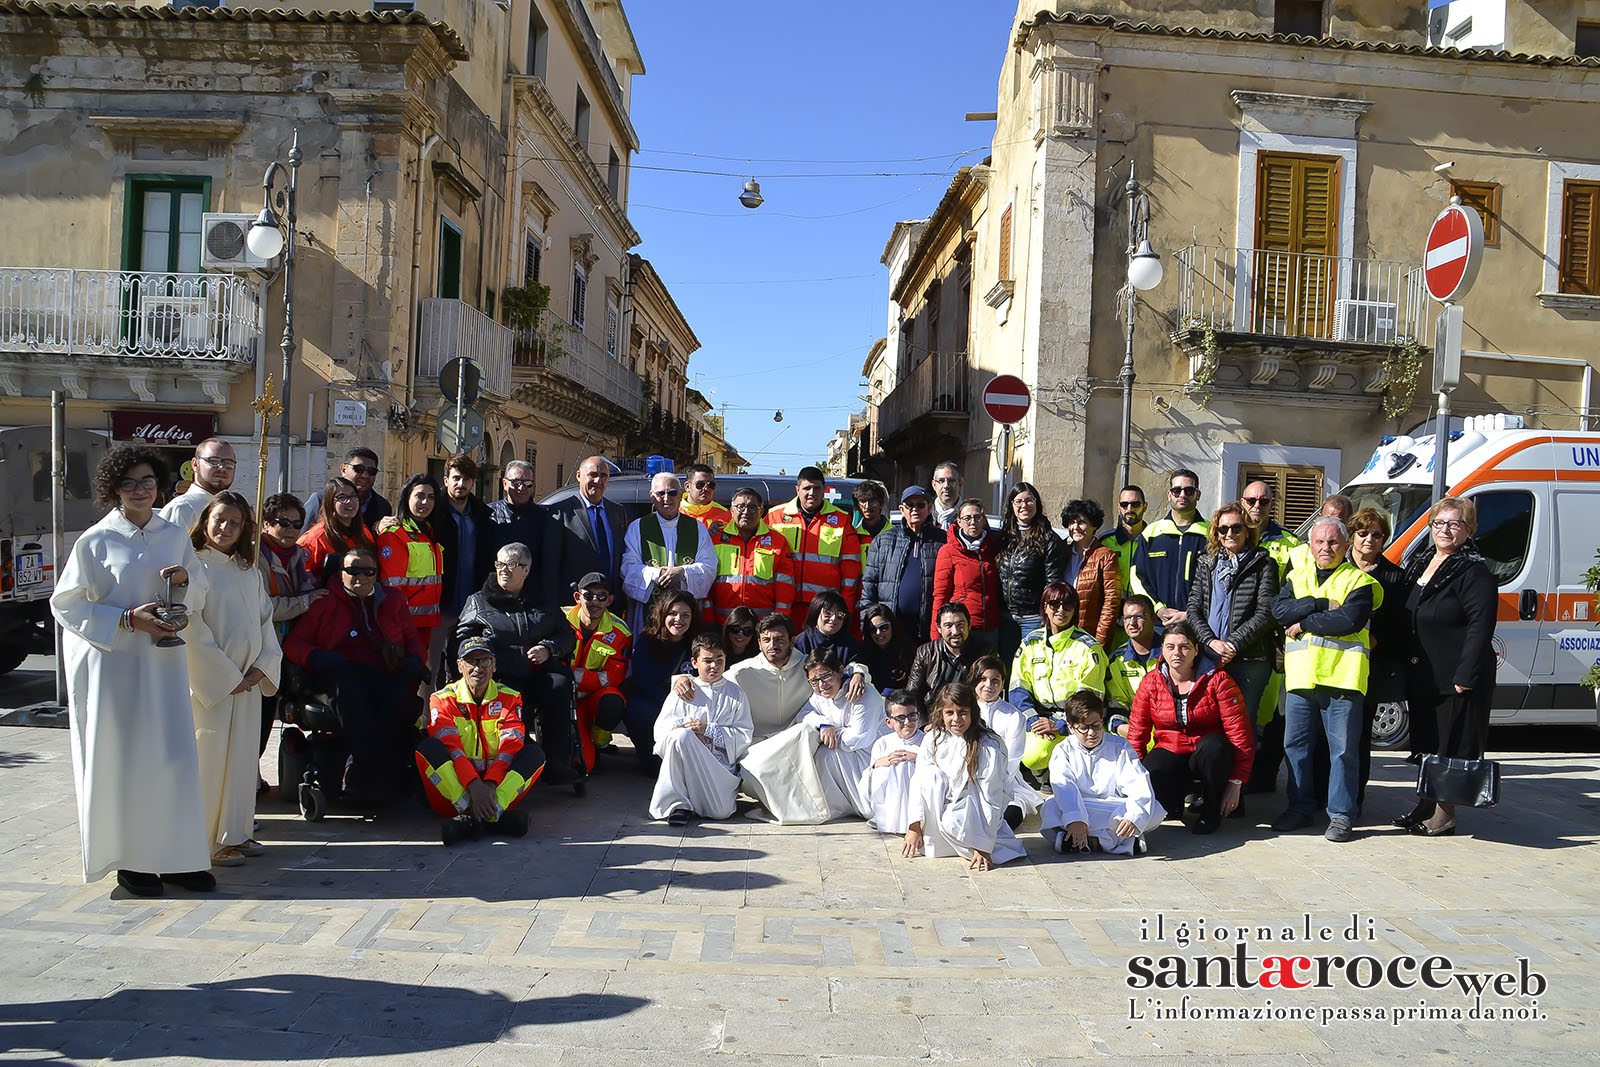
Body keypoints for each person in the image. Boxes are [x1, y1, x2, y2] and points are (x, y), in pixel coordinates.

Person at [51, 446, 213, 897]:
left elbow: (198, 588)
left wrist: (184, 580)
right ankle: (133, 861)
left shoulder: (173, 534)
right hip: (117, 666)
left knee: (172, 757)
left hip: (163, 660)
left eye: (147, 481)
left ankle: (178, 858)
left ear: (160, 484)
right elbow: (66, 603)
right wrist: (125, 619)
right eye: (129, 484)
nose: (140, 491)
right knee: (128, 760)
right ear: (113, 490)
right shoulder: (96, 540)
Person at [283, 545, 427, 803]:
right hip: (338, 673)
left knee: (399, 697)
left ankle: (388, 772)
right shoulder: (324, 600)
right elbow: (295, 644)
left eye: (368, 571)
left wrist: (415, 660)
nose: (360, 576)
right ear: (341, 573)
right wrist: (318, 657)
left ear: (376, 574)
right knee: (351, 691)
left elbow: (412, 639)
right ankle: (364, 768)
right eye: (353, 570)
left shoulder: (392, 599)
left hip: (382, 672)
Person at [184, 491, 281, 868]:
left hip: (248, 682)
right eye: (219, 519)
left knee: (242, 761)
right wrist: (225, 675)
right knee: (210, 760)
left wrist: (263, 666)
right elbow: (191, 625)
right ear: (206, 520)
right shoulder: (193, 567)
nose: (225, 528)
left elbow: (264, 623)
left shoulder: (247, 570)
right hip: (214, 686)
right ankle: (206, 840)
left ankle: (236, 833)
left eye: (235, 523)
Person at [1270, 516, 1379, 842]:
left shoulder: (1358, 581)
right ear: (1310, 546)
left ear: (1346, 546)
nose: (1326, 548)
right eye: (1319, 542)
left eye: (1333, 542)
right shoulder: (1297, 576)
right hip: (1302, 679)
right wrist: (1318, 605)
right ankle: (1300, 808)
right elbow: (1279, 611)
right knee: (1296, 748)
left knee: (1343, 752)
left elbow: (1349, 619)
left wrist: (1304, 623)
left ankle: (1341, 815)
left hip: (1343, 680)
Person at [1397, 497, 1498, 837]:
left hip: (1455, 675)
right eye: (1440, 523)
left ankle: (1445, 814)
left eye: (1455, 524)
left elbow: (1480, 627)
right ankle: (1425, 804)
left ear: (1468, 530)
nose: (1446, 530)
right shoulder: (1422, 560)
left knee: (1449, 746)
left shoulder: (1474, 570)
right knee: (1427, 742)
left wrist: (1465, 675)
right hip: (1424, 672)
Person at [456, 541, 578, 783]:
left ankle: (555, 761)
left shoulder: (543, 600)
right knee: (510, 695)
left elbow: (567, 635)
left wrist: (548, 648)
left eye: (511, 564)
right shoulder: (479, 602)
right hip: (500, 674)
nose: (504, 569)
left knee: (559, 685)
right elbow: (462, 640)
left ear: (526, 570)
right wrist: (486, 656)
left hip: (538, 671)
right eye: (500, 563)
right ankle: (517, 763)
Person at [416, 634, 544, 846]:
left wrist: (490, 785)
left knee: (534, 754)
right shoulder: (441, 699)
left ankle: (481, 818)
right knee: (427, 748)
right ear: (459, 666)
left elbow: (510, 748)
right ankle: (482, 816)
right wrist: (474, 786)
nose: (478, 668)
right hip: (453, 795)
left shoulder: (511, 698)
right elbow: (451, 748)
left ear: (494, 665)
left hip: (494, 792)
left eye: (484, 660)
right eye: (471, 661)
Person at [1128, 620, 1253, 835]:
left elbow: (1240, 734)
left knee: (1215, 746)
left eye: (1184, 646)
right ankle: (1174, 800)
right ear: (1163, 650)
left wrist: (1236, 783)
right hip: (1171, 749)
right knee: (1153, 780)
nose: (1177, 653)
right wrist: (1133, 783)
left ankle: (1211, 810)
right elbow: (1137, 733)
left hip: (1207, 754)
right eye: (1170, 647)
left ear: (1196, 650)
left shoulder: (1219, 680)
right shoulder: (1151, 682)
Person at [741, 649, 886, 823]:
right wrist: (824, 724)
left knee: (825, 753)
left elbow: (858, 738)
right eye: (814, 681)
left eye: (826, 676)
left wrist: (832, 732)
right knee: (809, 742)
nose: (822, 685)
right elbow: (804, 715)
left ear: (840, 670)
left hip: (871, 757)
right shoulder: (819, 696)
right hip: (846, 753)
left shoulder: (861, 694)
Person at [902, 682, 1025, 870]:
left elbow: (991, 797)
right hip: (939, 809)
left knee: (954, 821)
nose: (956, 719)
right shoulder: (933, 738)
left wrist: (983, 845)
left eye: (963, 712)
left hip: (974, 811)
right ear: (941, 713)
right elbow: (918, 782)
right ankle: (936, 838)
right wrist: (914, 826)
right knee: (930, 775)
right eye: (949, 713)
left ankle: (978, 843)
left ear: (973, 712)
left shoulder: (988, 745)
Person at [1187, 502, 1280, 736]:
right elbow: (1193, 609)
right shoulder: (1206, 564)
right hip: (1209, 658)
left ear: (1247, 530)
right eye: (1223, 529)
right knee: (1209, 724)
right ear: (1216, 532)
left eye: (1236, 528)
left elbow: (1266, 613)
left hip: (1250, 659)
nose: (1229, 534)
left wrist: (1233, 644)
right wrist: (1210, 642)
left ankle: (1241, 774)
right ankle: (1215, 774)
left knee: (1242, 727)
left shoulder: (1264, 564)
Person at [1041, 691, 1164, 855]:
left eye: (1096, 726)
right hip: (1081, 805)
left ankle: (1085, 840)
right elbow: (1064, 787)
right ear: (1070, 727)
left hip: (1114, 805)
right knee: (1050, 807)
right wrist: (1076, 819)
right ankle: (1122, 842)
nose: (1091, 733)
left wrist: (1133, 817)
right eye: (1084, 728)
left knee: (1154, 809)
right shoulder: (1063, 750)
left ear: (1102, 721)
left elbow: (1138, 783)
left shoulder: (1120, 746)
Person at [650, 634, 753, 826]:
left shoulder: (736, 694)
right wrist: (691, 731)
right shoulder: (683, 690)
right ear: (694, 662)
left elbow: (744, 735)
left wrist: (710, 731)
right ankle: (678, 804)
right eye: (707, 660)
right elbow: (661, 731)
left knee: (720, 813)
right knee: (681, 736)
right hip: (683, 762)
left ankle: (697, 803)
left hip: (718, 767)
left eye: (719, 660)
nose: (714, 666)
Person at [257, 492, 326, 772]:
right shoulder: (256, 557)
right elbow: (264, 607)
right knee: (258, 718)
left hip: (287, 648)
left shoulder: (297, 555)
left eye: (297, 524)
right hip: (260, 649)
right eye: (282, 522)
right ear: (265, 524)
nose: (290, 529)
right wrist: (305, 602)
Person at [1008, 583, 1109, 773]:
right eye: (1054, 604)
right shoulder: (1030, 643)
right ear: (1045, 606)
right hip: (1038, 717)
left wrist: (1060, 724)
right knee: (1032, 756)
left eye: (1068, 605)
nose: (1061, 610)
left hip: (1074, 722)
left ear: (1075, 609)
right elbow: (1017, 690)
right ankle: (1044, 774)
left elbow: (1090, 700)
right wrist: (1034, 722)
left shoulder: (1088, 647)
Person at [1344, 507, 1407, 806]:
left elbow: (1399, 622)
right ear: (1352, 535)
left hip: (1368, 667)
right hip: (1327, 664)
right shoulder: (1336, 567)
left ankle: (1354, 798)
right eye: (1363, 533)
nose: (1369, 539)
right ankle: (1319, 797)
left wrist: (1376, 638)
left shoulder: (1394, 576)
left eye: (1377, 534)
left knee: (1357, 738)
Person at [621, 471, 718, 631]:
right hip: (649, 612)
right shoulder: (638, 527)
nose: (666, 499)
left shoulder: (697, 528)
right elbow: (627, 567)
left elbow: (710, 566)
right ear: (652, 496)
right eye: (660, 493)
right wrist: (657, 575)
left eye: (672, 493)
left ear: (681, 494)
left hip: (684, 615)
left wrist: (682, 572)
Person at [766, 465, 861, 624]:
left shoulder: (842, 519)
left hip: (825, 608)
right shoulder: (774, 516)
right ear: (797, 490)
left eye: (816, 488)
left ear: (824, 489)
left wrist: (846, 607)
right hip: (786, 605)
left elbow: (850, 570)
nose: (812, 493)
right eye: (807, 488)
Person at [621, 589, 701, 770]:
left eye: (685, 615)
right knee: (640, 713)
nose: (678, 620)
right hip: (652, 702)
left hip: (686, 704)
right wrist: (669, 705)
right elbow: (642, 680)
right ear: (663, 614)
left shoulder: (698, 644)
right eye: (672, 613)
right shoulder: (646, 640)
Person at [434, 453, 494, 676]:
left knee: (463, 667)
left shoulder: (483, 516)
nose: (461, 484)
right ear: (446, 479)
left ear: (473, 483)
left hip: (472, 605)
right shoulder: (433, 513)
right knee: (431, 670)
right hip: (439, 604)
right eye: (456, 478)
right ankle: (430, 711)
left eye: (466, 479)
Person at [565, 572, 632, 772]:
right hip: (563, 700)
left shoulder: (621, 631)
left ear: (609, 600)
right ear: (578, 597)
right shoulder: (560, 620)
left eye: (601, 596)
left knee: (614, 701)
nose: (594, 601)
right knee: (583, 767)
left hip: (591, 701)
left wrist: (576, 676)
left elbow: (615, 675)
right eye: (588, 595)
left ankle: (599, 742)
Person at [859, 486, 943, 642]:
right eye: (910, 505)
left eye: (920, 505)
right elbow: (869, 588)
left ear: (929, 508)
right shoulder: (882, 541)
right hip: (889, 631)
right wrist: (867, 626)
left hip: (927, 632)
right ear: (901, 509)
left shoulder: (942, 541)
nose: (915, 509)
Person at [705, 486, 794, 627]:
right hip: (722, 623)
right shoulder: (715, 537)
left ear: (761, 511)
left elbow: (785, 586)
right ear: (732, 510)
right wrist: (709, 620)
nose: (746, 512)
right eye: (740, 507)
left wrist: (779, 621)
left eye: (753, 507)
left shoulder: (777, 540)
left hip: (762, 625)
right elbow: (706, 582)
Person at [377, 474, 445, 656]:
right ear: (407, 497)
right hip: (404, 623)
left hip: (426, 621)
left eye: (431, 497)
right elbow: (391, 587)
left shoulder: (430, 532)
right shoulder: (394, 535)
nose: (425, 502)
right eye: (419, 496)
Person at [967, 654, 1038, 829]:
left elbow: (1013, 759)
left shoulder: (1014, 716)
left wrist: (995, 787)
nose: (989, 685)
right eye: (983, 679)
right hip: (968, 780)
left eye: (995, 680)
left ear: (1003, 683)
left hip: (1007, 784)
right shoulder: (964, 712)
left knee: (1006, 819)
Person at [996, 481, 1065, 659]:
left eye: (1029, 500)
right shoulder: (1004, 537)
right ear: (1011, 505)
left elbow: (1053, 581)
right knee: (1007, 669)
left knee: (1033, 668)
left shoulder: (1049, 539)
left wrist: (1048, 614)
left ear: (1037, 503)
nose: (1024, 505)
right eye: (1018, 501)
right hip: (1006, 618)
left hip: (1034, 619)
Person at [1132, 469, 1209, 628]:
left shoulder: (1212, 534)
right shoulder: (1151, 534)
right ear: (1169, 495)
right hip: (1159, 624)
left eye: (1189, 490)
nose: (1182, 495)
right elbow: (1138, 577)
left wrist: (1192, 614)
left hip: (1200, 625)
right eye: (1176, 490)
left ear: (1198, 495)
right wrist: (1158, 609)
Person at [725, 612, 812, 739]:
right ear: (759, 644)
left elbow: (838, 675)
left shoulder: (809, 667)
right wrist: (685, 679)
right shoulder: (742, 671)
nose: (772, 646)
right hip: (758, 742)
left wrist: (853, 674)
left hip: (799, 738)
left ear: (792, 641)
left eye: (779, 639)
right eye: (766, 640)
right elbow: (711, 683)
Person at [550, 455, 627, 594]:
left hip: (611, 602)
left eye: (603, 476)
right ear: (579, 475)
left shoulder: (618, 511)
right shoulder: (561, 512)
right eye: (593, 475)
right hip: (576, 603)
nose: (598, 480)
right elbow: (551, 564)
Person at [931, 497, 1002, 646]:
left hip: (991, 628)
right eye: (967, 518)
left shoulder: (993, 549)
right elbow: (940, 595)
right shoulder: (948, 551)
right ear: (959, 521)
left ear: (983, 520)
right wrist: (936, 634)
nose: (972, 522)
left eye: (977, 517)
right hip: (962, 628)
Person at [486, 460, 557, 594]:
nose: (521, 488)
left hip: (533, 593)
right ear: (505, 483)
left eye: (527, 484)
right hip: (496, 591)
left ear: (534, 486)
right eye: (516, 483)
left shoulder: (546, 518)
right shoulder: (489, 515)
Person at [907, 602, 993, 708]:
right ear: (939, 628)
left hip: (971, 716)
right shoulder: (925, 652)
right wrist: (923, 724)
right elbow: (912, 695)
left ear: (969, 625)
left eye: (960, 625)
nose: (955, 631)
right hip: (933, 716)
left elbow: (991, 692)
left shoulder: (985, 651)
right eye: (948, 626)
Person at [1061, 498, 1121, 648]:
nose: (1075, 527)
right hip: (1062, 633)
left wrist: (1099, 643)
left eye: (1081, 522)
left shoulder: (1106, 556)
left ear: (1094, 525)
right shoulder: (1062, 553)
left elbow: (1111, 604)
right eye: (1071, 522)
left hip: (1089, 636)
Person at [864, 691, 925, 835]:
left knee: (906, 766)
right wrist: (879, 764)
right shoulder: (882, 743)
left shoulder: (928, 742)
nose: (907, 722)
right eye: (900, 718)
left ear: (919, 716)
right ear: (889, 722)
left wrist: (919, 759)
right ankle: (890, 820)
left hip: (918, 805)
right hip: (889, 804)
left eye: (912, 716)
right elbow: (870, 776)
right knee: (885, 768)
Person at [298, 476, 376, 584]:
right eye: (342, 497)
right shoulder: (316, 537)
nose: (349, 501)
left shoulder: (364, 532)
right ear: (330, 503)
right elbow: (299, 574)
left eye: (353, 496)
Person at [1105, 595, 1159, 736]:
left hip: (1171, 735)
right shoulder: (1117, 661)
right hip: (1134, 736)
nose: (1132, 623)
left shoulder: (1171, 653)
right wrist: (1127, 730)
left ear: (1154, 619)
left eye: (1139, 617)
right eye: (1127, 618)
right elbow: (1117, 705)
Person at [304, 446, 391, 530]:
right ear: (344, 469)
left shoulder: (382, 506)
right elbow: (303, 539)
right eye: (359, 469)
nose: (365, 475)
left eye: (371, 471)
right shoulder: (320, 499)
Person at [159, 437, 236, 532]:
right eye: (214, 461)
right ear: (195, 464)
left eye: (229, 463)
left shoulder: (234, 509)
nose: (222, 467)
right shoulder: (182, 509)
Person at [794, 590, 865, 673]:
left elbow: (858, 665)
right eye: (828, 613)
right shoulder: (801, 642)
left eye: (840, 615)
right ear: (816, 612)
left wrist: (858, 674)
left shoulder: (850, 643)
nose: (833, 619)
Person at [1241, 480, 1301, 577]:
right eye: (1251, 501)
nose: (1257, 505)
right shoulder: (1232, 536)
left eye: (1263, 502)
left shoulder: (1290, 541)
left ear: (1272, 505)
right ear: (1243, 503)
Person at [1098, 484, 1148, 595]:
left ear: (1145, 506)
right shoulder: (1105, 541)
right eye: (1124, 504)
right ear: (1119, 507)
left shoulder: (1154, 540)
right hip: (1113, 604)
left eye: (1135, 504)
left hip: (1144, 605)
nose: (1129, 509)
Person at [858, 602, 914, 692]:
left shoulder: (908, 651)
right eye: (873, 629)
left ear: (892, 626)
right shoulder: (863, 653)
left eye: (884, 627)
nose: (878, 633)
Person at [679, 464, 732, 529]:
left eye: (711, 485)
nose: (706, 489)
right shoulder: (673, 511)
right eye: (700, 484)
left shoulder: (725, 514)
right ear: (687, 486)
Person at [851, 479, 890, 561]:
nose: (867, 506)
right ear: (857, 506)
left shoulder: (895, 534)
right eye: (863, 501)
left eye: (872, 501)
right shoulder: (854, 536)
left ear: (881, 504)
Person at [930, 460, 963, 528]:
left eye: (951, 481)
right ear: (934, 485)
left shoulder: (972, 517)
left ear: (960, 484)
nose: (946, 486)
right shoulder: (924, 515)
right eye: (941, 481)